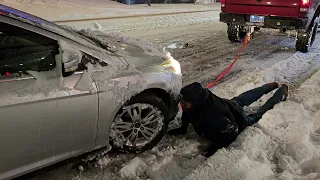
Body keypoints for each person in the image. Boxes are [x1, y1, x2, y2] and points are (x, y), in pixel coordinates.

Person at [168, 82, 288, 157]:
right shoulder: (196, 100)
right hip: (228, 105)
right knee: (241, 99)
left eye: (185, 103)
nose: (182, 105)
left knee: (257, 115)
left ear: (195, 102)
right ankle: (269, 86)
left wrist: (216, 146)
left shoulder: (212, 116)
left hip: (237, 118)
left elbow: (233, 131)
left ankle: (280, 91)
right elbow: (187, 112)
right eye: (182, 102)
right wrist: (183, 128)